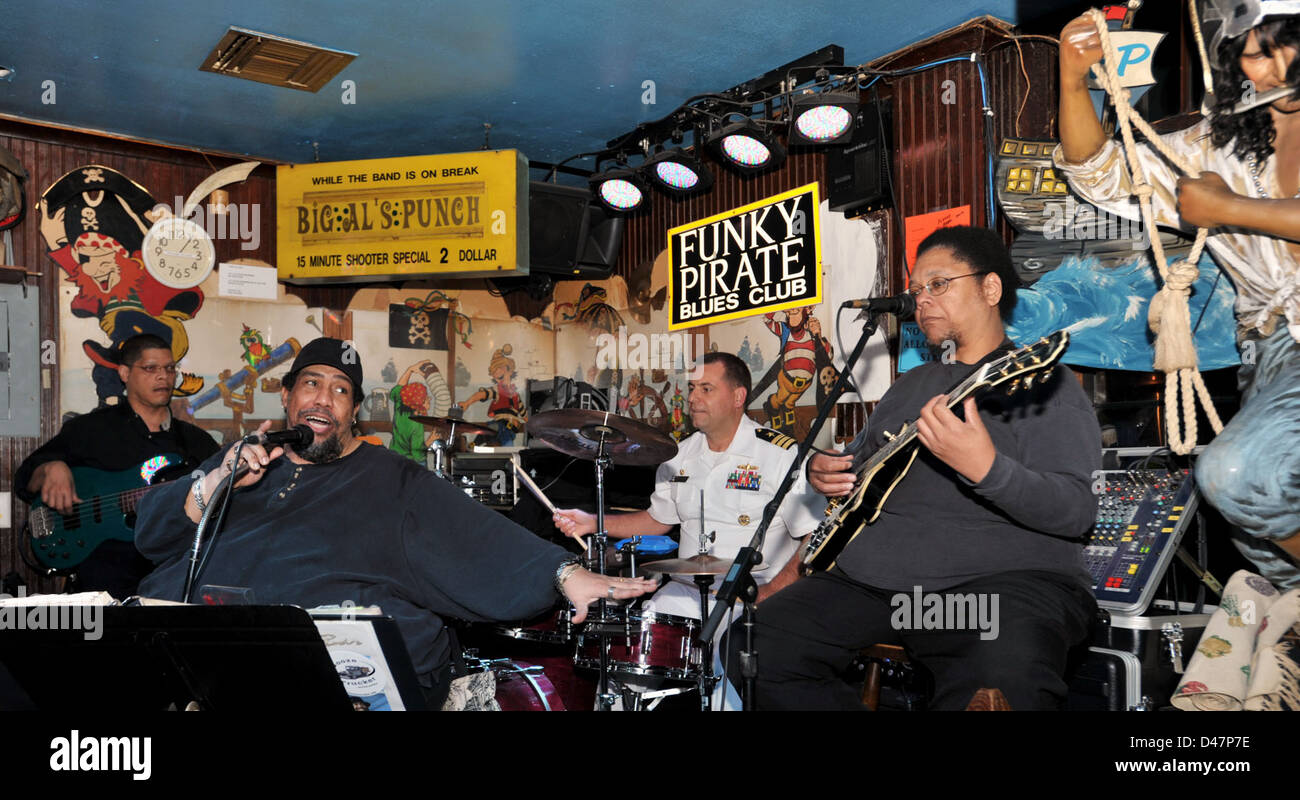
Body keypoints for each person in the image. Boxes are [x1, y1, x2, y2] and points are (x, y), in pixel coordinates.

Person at [133, 337, 654, 708]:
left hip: (333, 670)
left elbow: (477, 536)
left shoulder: (395, 479)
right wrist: (215, 481)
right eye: (311, 384)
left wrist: (566, 575)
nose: (322, 398)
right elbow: (155, 535)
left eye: (340, 391)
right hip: (204, 654)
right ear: (288, 397)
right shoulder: (243, 457)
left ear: (353, 410)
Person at [730, 227, 1101, 710]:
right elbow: (857, 472)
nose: (921, 301)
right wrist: (823, 473)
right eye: (916, 290)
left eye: (938, 284)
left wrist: (985, 468)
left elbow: (1075, 511)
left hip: (992, 587)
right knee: (754, 646)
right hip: (875, 584)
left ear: (990, 289)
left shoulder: (1043, 381)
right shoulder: (911, 385)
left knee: (1001, 682)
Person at [1056, 1, 1300, 589]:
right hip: (1266, 356)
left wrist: (1232, 209)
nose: (1264, 71)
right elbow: (1102, 173)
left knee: (1239, 475)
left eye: (1279, 48)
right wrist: (1071, 79)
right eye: (1250, 54)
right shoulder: (1221, 147)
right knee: (1264, 545)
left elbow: (1232, 209)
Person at [553, 351, 823, 707]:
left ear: (738, 397)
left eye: (706, 389)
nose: (693, 397)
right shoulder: (676, 455)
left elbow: (814, 538)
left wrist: (773, 592)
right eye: (692, 388)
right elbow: (657, 519)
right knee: (631, 667)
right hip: (684, 594)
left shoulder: (781, 455)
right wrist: (590, 521)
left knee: (728, 684)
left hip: (754, 597)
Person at [15, 334, 220, 599]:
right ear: (124, 373)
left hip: (172, 585)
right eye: (150, 368)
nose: (164, 377)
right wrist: (51, 468)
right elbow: (24, 479)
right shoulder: (89, 430)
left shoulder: (196, 443)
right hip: (103, 586)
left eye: (170, 368)